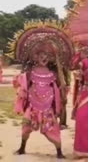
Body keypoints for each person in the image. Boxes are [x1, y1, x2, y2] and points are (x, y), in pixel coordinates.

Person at [9, 21, 74, 158]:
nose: (43, 57)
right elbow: (21, 83)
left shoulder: (54, 73)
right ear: (35, 57)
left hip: (47, 107)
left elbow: (61, 86)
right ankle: (22, 147)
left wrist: (62, 87)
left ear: (50, 58)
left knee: (53, 129)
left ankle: (59, 152)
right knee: (25, 127)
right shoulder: (30, 72)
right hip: (32, 105)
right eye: (40, 55)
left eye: (46, 55)